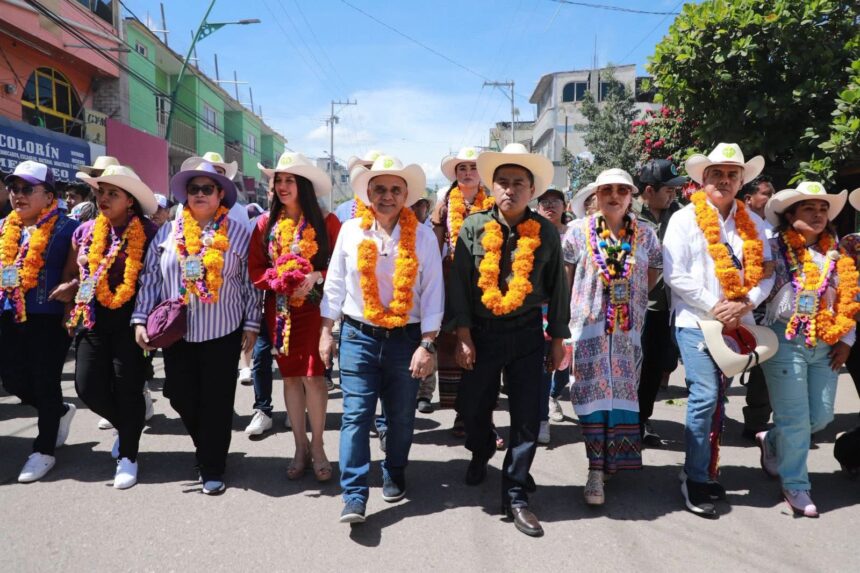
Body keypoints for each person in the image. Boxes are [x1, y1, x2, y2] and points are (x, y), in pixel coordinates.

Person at [448, 143, 570, 537]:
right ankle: (482, 450)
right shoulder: (474, 226)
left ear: (531, 191)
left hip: (527, 331)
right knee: (472, 405)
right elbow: (462, 284)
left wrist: (557, 339)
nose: (510, 189)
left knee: (527, 415)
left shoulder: (546, 232)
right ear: (493, 186)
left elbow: (558, 289)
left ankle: (516, 493)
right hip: (482, 333)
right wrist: (462, 334)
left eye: (519, 183)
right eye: (503, 182)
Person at [320, 154, 443, 524]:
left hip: (406, 339)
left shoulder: (421, 235)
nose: (387, 196)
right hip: (358, 335)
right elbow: (336, 284)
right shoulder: (350, 230)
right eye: (379, 189)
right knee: (355, 416)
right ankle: (354, 493)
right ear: (368, 193)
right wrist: (326, 331)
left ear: (406, 195)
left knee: (401, 416)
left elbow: (434, 292)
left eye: (395, 189)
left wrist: (427, 344)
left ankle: (394, 469)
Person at [132, 161, 262, 495]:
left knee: (217, 401)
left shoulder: (237, 233)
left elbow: (250, 283)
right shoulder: (168, 231)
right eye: (194, 189)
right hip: (178, 332)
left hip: (223, 329)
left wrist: (251, 323)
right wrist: (141, 318)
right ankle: (206, 446)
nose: (200, 194)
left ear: (221, 194)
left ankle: (212, 463)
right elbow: (150, 278)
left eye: (208, 189)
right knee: (179, 395)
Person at [664, 143, 774, 518]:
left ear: (742, 180)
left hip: (739, 325)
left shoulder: (756, 224)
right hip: (696, 322)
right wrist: (716, 307)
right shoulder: (683, 219)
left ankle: (707, 469)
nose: (724, 181)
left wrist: (746, 304)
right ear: (703, 179)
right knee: (705, 395)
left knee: (718, 402)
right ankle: (694, 477)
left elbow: (766, 275)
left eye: (731, 175)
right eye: (717, 174)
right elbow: (675, 275)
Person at [757, 182, 858, 517]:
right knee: (796, 419)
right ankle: (796, 484)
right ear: (790, 215)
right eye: (808, 209)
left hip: (826, 343)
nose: (817, 215)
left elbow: (849, 302)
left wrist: (846, 341)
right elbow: (756, 289)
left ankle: (772, 440)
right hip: (785, 339)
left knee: (822, 416)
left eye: (822, 210)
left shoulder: (839, 255)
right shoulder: (772, 247)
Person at [564, 168, 662, 505]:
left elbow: (654, 271)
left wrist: (631, 300)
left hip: (627, 332)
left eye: (623, 190)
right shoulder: (577, 232)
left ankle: (611, 458)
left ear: (632, 196)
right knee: (590, 396)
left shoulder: (646, 235)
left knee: (622, 394)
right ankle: (594, 468)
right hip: (588, 328)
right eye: (608, 189)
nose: (615, 196)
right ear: (596, 195)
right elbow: (567, 275)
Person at [248, 152, 341, 480]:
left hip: (315, 311)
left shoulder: (327, 222)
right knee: (289, 378)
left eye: (289, 180)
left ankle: (318, 445)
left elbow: (341, 267)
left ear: (303, 184)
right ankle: (299, 446)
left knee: (314, 377)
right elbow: (255, 269)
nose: (282, 186)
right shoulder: (265, 224)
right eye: (278, 181)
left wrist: (315, 276)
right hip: (281, 311)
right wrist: (276, 281)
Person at [68, 165, 159, 489]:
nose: (103, 198)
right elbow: (87, 275)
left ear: (130, 201)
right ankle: (128, 426)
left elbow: (157, 279)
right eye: (101, 192)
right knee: (86, 385)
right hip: (93, 318)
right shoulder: (88, 231)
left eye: (112, 193)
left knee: (127, 387)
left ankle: (129, 456)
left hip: (132, 321)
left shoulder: (148, 232)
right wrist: (74, 290)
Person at [0, 160, 79, 483]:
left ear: (49, 196)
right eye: (14, 188)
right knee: (13, 380)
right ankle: (59, 412)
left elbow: (83, 272)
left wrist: (72, 288)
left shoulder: (68, 228)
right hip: (8, 312)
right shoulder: (6, 227)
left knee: (45, 381)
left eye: (26, 189)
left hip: (48, 318)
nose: (18, 195)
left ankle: (44, 449)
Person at [432, 146, 496, 436]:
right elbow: (433, 247)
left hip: (488, 282)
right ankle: (460, 414)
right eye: (462, 168)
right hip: (452, 280)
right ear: (455, 174)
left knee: (486, 349)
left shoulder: (494, 202)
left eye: (473, 167)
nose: (468, 173)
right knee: (454, 347)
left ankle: (485, 417)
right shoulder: (445, 202)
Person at [635, 159, 685, 447]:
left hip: (667, 306)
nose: (673, 195)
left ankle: (642, 420)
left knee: (656, 368)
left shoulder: (678, 215)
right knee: (632, 367)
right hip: (633, 306)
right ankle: (627, 423)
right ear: (650, 190)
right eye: (668, 189)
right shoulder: (628, 214)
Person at [736, 175, 776, 440]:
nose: (771, 198)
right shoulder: (735, 226)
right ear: (749, 199)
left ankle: (757, 421)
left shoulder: (777, 225)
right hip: (733, 304)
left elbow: (770, 268)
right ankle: (710, 417)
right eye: (766, 193)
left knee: (764, 365)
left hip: (768, 305)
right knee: (728, 359)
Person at [536, 186, 572, 443]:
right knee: (544, 365)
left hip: (574, 308)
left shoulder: (576, 234)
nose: (550, 206)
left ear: (565, 206)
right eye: (544, 202)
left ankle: (553, 396)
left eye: (555, 201)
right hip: (542, 311)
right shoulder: (531, 233)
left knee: (567, 363)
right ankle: (541, 419)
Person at [334, 150, 384, 223]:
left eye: (377, 173)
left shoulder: (398, 210)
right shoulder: (343, 211)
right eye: (366, 172)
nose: (371, 178)